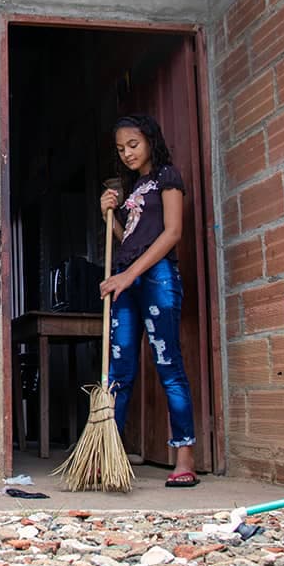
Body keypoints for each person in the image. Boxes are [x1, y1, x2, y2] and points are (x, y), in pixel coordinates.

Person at [98, 114, 198, 488]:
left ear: (151, 140)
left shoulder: (167, 177)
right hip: (128, 283)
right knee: (117, 372)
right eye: (121, 148)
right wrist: (109, 216)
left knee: (168, 365)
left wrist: (129, 274)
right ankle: (108, 455)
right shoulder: (134, 187)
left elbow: (172, 233)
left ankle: (184, 456)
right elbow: (130, 242)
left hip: (156, 281)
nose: (126, 153)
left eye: (133, 145)